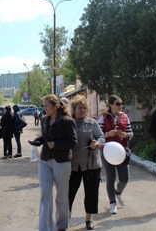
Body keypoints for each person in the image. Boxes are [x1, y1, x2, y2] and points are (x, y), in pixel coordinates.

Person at [30, 94, 77, 231]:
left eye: (46, 106)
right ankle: (45, 228)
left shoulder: (68, 121)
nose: (44, 109)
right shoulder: (44, 119)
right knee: (45, 193)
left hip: (61, 161)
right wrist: (39, 140)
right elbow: (46, 137)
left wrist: (55, 144)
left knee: (61, 195)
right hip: (45, 160)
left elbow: (73, 142)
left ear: (55, 106)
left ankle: (61, 225)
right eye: (43, 106)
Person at [68, 95, 104, 230]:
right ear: (74, 109)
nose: (82, 110)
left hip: (91, 165)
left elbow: (101, 137)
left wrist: (97, 142)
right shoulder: (69, 122)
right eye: (79, 108)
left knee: (91, 193)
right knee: (68, 193)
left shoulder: (92, 123)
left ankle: (89, 219)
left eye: (84, 108)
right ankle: (67, 218)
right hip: (73, 165)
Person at [97, 95, 133, 215]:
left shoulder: (124, 117)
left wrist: (126, 135)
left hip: (122, 151)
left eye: (121, 103)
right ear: (111, 105)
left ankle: (118, 192)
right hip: (108, 151)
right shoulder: (103, 118)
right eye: (118, 103)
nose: (120, 106)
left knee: (125, 178)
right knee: (110, 178)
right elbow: (98, 135)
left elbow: (130, 133)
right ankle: (113, 203)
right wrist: (108, 134)